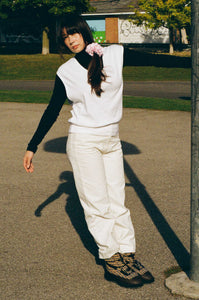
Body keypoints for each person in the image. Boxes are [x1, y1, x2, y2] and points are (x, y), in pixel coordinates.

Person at [23, 15, 154, 288]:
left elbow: (156, 58)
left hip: (111, 139)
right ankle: (110, 257)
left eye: (73, 33)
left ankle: (126, 252)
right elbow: (52, 110)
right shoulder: (66, 72)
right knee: (97, 203)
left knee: (117, 199)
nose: (70, 40)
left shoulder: (115, 54)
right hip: (84, 142)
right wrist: (32, 146)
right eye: (65, 37)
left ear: (84, 31)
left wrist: (191, 62)